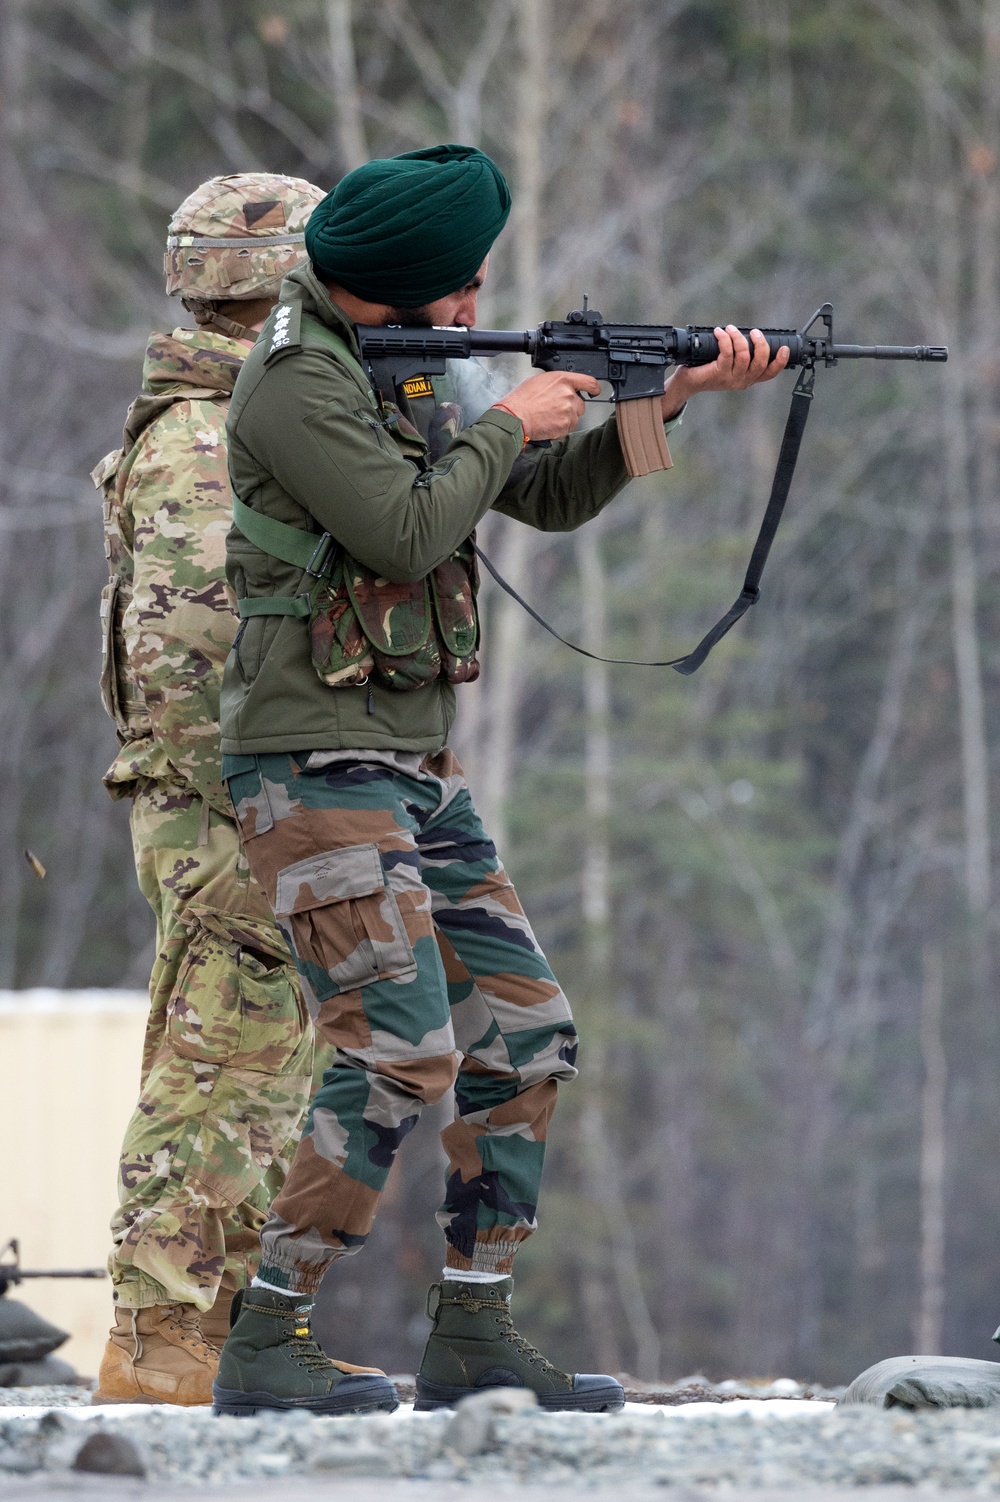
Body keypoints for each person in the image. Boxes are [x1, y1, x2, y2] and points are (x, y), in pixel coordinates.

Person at [212, 144, 789, 1417]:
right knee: (400, 1051)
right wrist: (505, 414)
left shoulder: (406, 364)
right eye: (462, 286)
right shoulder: (296, 381)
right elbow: (408, 530)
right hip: (309, 762)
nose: (478, 305)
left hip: (413, 765)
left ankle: (473, 1327)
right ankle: (268, 1334)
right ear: (404, 289)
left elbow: (544, 497)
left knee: (531, 1035)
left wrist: (670, 393)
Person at [91, 172, 330, 1406]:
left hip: (248, 794)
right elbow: (187, 652)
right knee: (217, 1066)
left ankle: (220, 1323)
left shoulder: (247, 413)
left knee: (262, 1063)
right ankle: (159, 1331)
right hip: (227, 796)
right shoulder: (204, 436)